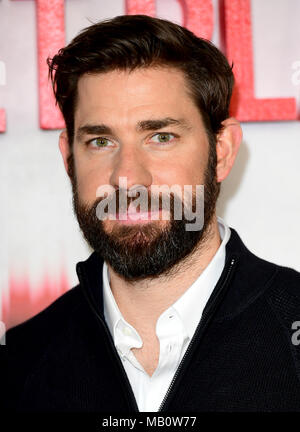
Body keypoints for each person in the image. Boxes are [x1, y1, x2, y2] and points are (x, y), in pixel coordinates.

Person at [1, 13, 300, 413]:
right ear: (69, 159)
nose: (127, 178)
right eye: (101, 141)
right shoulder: (21, 361)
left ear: (222, 152)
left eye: (161, 137)